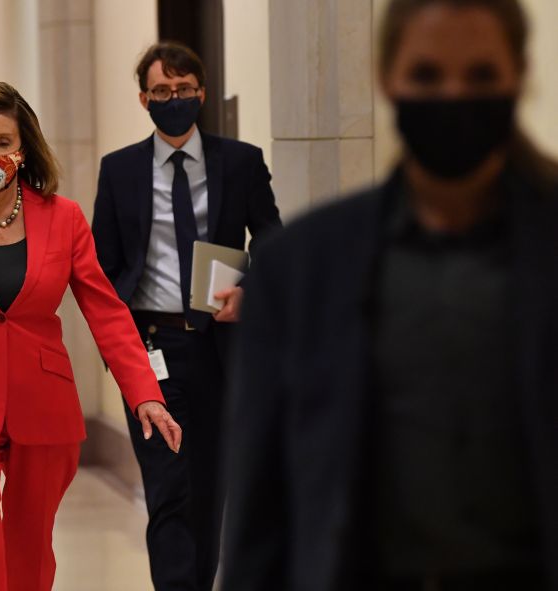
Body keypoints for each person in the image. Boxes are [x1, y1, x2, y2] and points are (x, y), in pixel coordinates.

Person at [223, 1, 558, 590]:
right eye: (427, 75)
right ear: (388, 79)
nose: (454, 96)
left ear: (518, 77)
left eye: (480, 76)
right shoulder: (300, 270)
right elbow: (262, 504)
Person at [0, 81, 183, 591]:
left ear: (23, 149)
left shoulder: (62, 218)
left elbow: (106, 312)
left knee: (29, 559)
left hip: (43, 406)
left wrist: (144, 395)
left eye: (3, 142)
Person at [90, 41, 280, 590]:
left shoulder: (239, 162)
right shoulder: (120, 170)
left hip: (220, 347)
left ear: (201, 93)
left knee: (209, 488)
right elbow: (102, 266)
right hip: (150, 349)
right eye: (162, 91)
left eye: (183, 90)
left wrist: (250, 288)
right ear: (144, 98)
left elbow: (270, 235)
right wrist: (115, 345)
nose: (174, 99)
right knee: (168, 488)